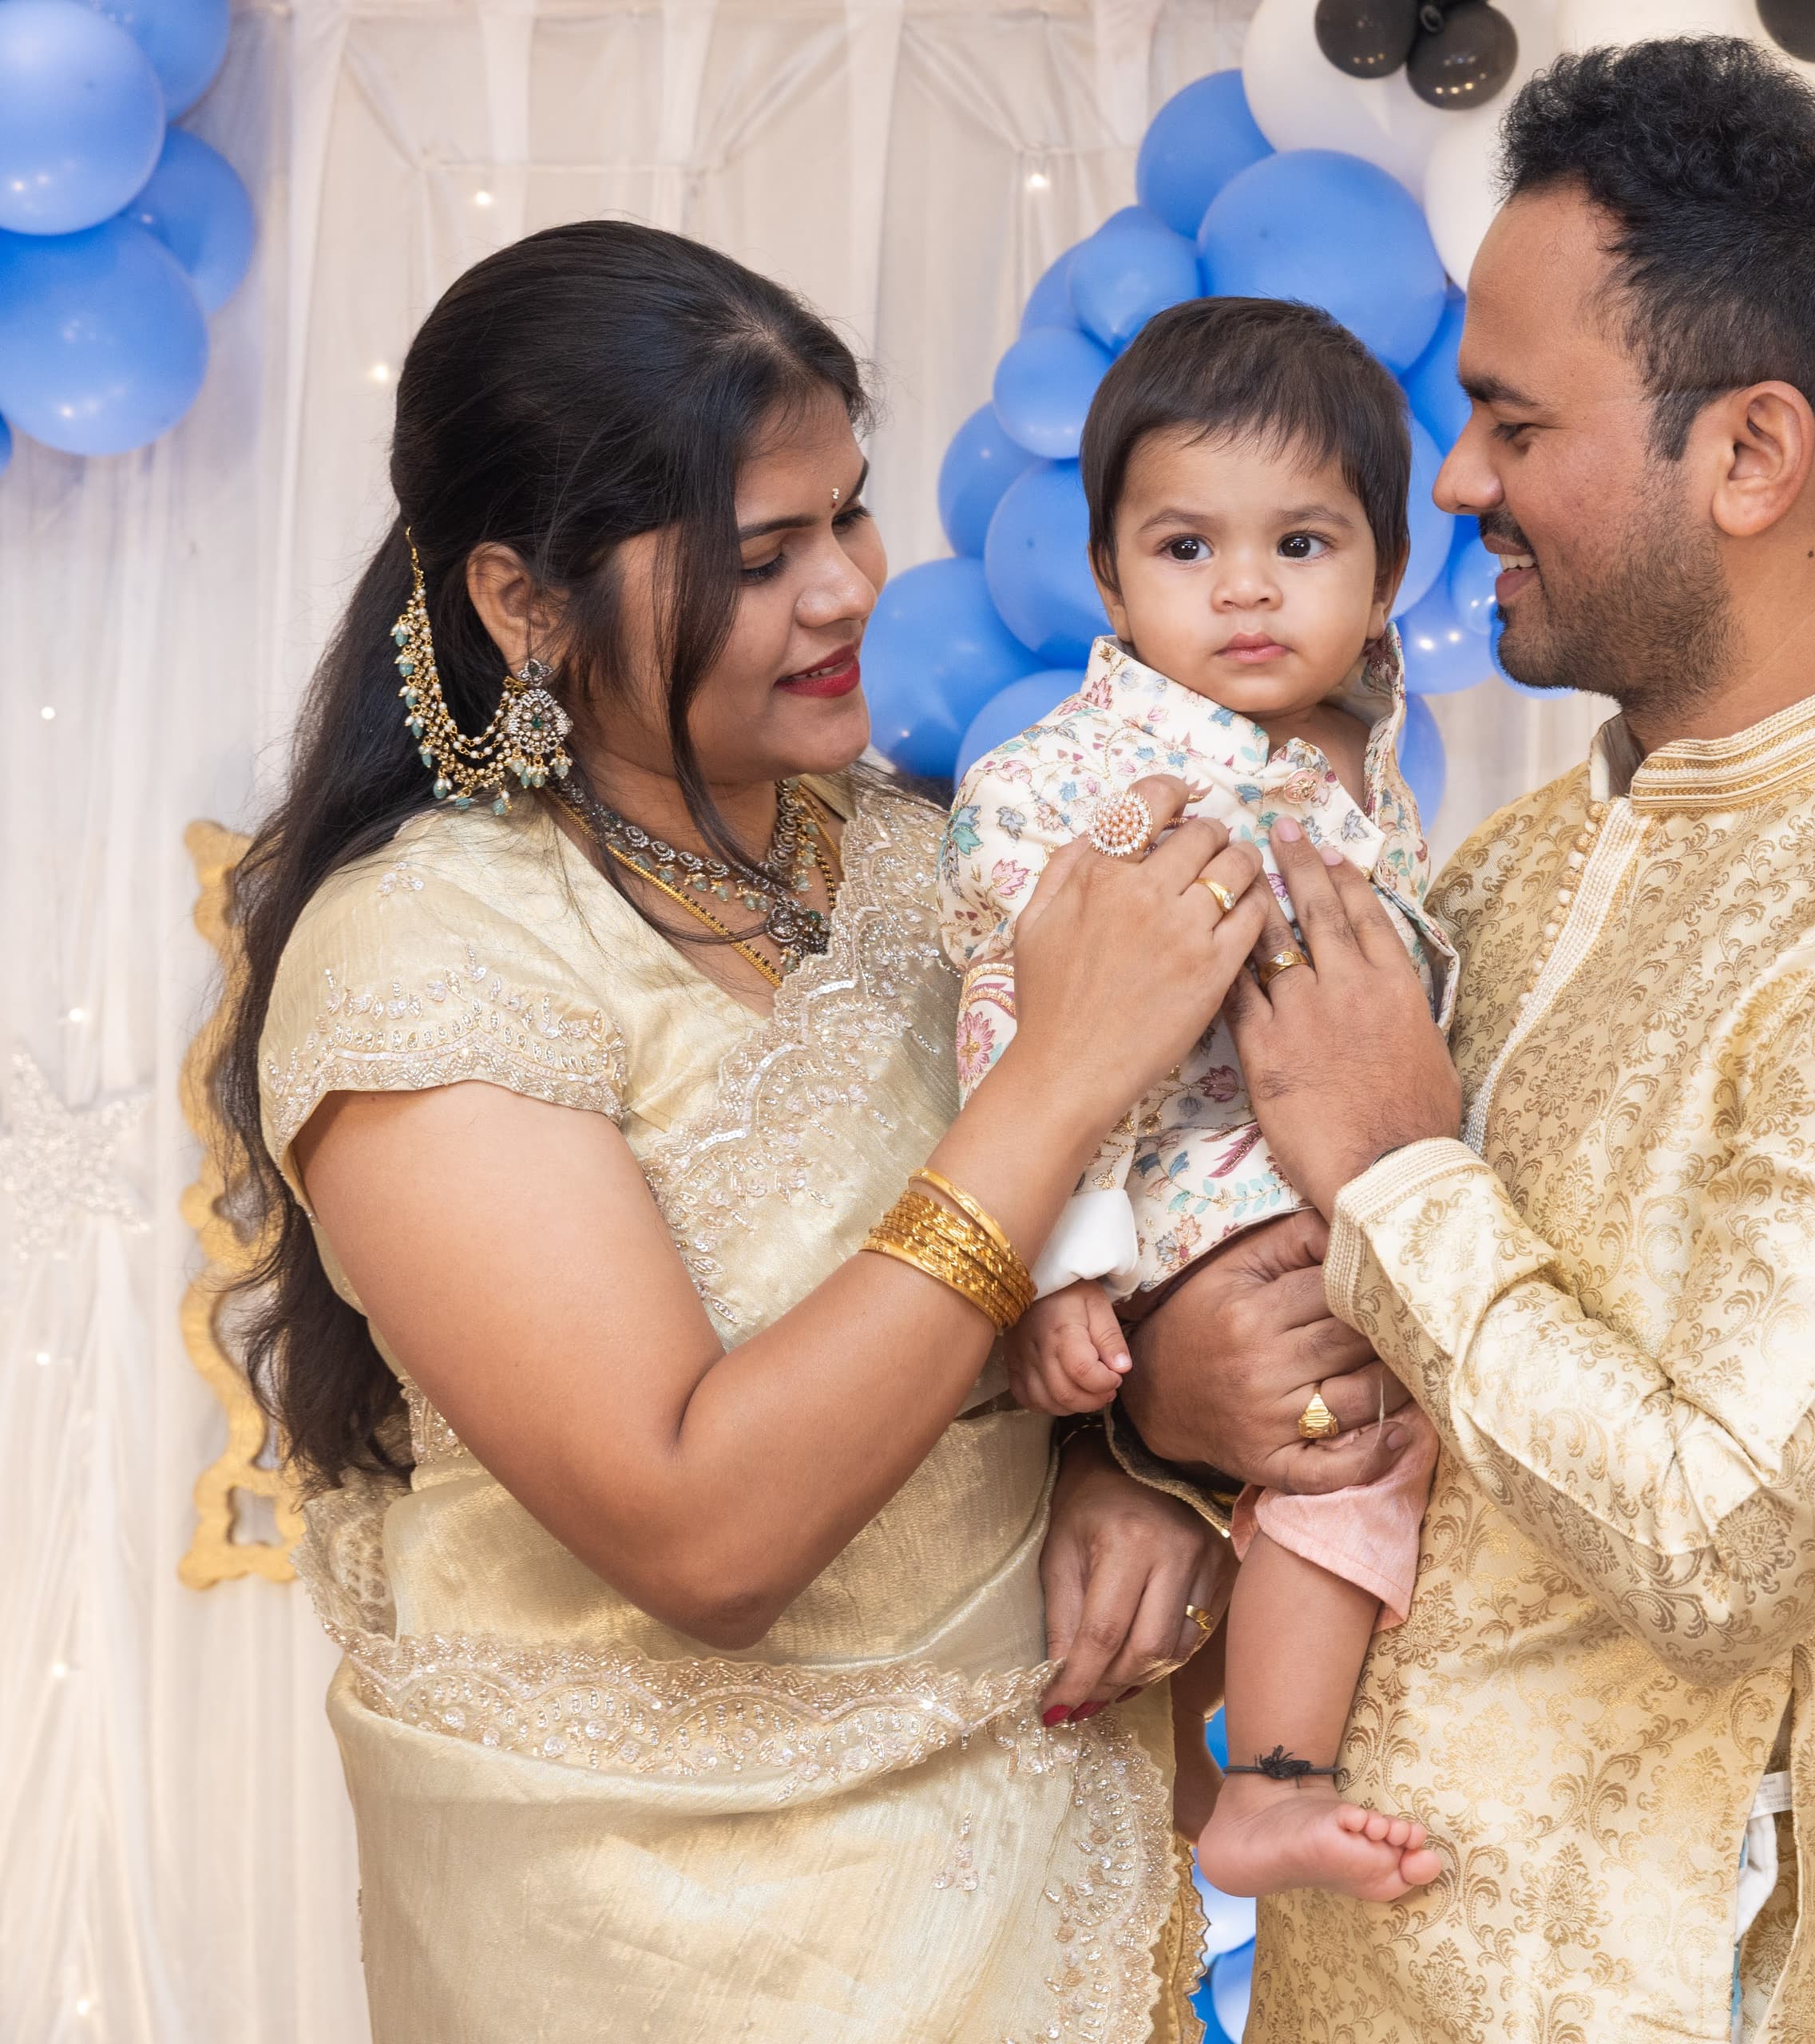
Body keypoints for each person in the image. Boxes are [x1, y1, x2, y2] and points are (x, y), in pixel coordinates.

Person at [211, 220, 1397, 2042]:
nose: (850, 587)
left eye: (847, 513)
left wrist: (1136, 1448)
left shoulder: (946, 858)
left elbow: (1085, 1269)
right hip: (665, 1944)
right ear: (528, 604)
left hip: (1053, 1870)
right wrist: (1059, 1069)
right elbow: (706, 1532)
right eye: (766, 556)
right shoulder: (428, 953)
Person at [1154, 38, 1815, 2042]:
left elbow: (1719, 1539)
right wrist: (1173, 1410)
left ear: (1753, 454)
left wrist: (1398, 1174)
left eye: (1513, 422)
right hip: (1352, 1983)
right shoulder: (1517, 862)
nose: (1453, 482)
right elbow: (1332, 1368)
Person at [941, 297, 1452, 1903]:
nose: (1243, 587)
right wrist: (1064, 1272)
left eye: (1301, 542)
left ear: (1383, 577)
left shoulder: (1359, 773)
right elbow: (1014, 1027)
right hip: (1175, 1201)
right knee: (1362, 1449)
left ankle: (1283, 1775)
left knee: (1372, 1448)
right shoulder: (1069, 779)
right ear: (1107, 577)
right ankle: (1277, 1776)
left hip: (1319, 1187)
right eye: (1184, 547)